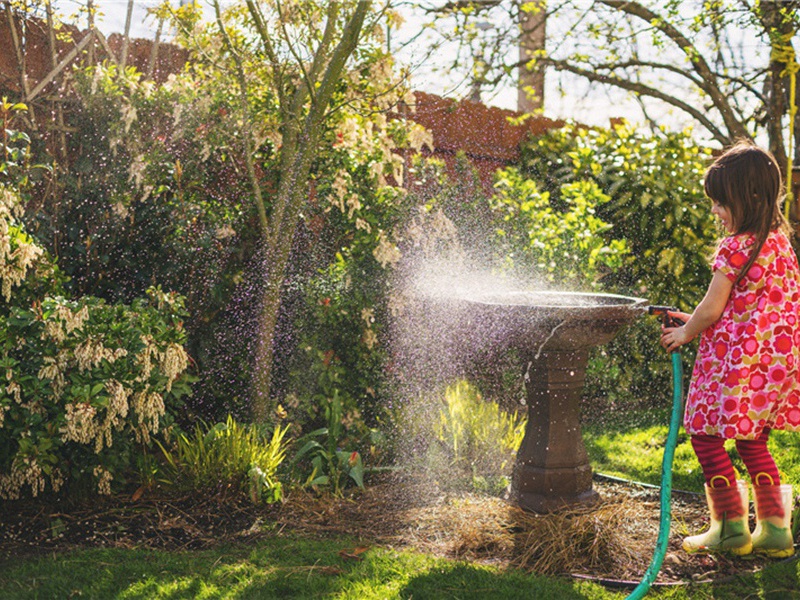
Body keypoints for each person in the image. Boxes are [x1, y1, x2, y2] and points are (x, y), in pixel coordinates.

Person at [661, 140, 798, 558]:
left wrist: (685, 332)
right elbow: (744, 308)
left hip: (735, 365)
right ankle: (776, 531)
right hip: (771, 366)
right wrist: (694, 318)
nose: (716, 212)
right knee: (753, 441)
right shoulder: (779, 245)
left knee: (703, 436)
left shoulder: (737, 246)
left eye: (721, 203)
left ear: (750, 198)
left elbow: (714, 306)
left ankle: (730, 529)